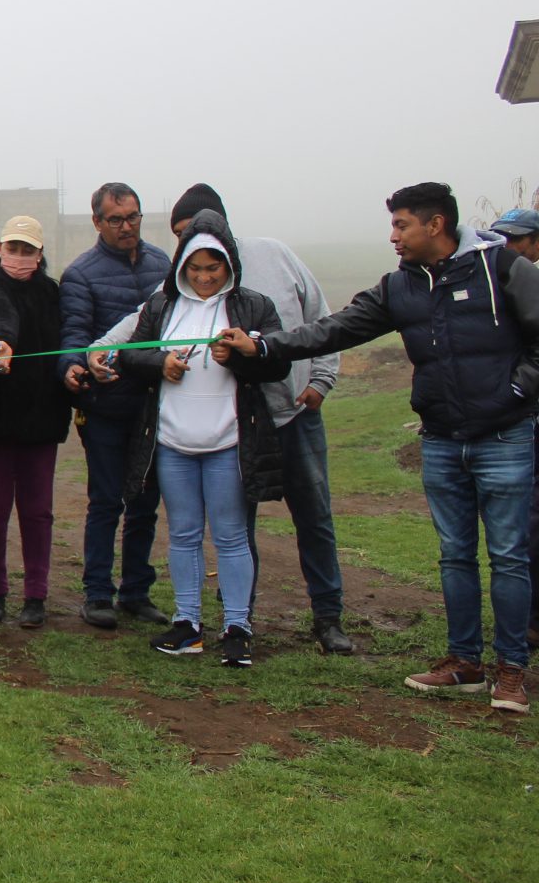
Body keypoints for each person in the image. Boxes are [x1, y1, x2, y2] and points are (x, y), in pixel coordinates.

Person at [218, 183, 539, 715]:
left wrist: (516, 391)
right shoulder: (400, 287)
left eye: (401, 226)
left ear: (435, 226)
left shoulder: (502, 268)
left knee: (508, 556)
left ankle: (510, 671)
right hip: (440, 440)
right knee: (455, 555)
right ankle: (464, 662)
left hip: (504, 437)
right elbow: (334, 329)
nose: (393, 237)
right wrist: (266, 345)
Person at [90, 183, 353, 653]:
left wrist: (320, 381)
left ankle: (328, 616)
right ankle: (234, 621)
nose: (195, 251)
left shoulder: (274, 262)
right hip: (223, 431)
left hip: (290, 414)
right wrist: (100, 351)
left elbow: (320, 319)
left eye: (200, 234)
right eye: (183, 240)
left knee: (313, 516)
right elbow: (135, 333)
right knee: (230, 529)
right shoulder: (176, 288)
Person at [120, 212, 290, 668]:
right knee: (183, 534)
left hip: (229, 442)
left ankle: (238, 627)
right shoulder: (162, 306)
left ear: (229, 265)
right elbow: (129, 358)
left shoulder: (254, 305)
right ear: (181, 267)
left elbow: (278, 363)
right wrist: (162, 364)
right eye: (194, 269)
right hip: (174, 444)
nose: (204, 277)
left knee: (232, 536)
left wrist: (241, 355)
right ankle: (188, 624)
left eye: (213, 269)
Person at [59, 181, 173, 629]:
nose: (126, 227)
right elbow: (73, 332)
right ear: (97, 222)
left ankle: (136, 591)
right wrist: (71, 367)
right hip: (104, 404)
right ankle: (97, 593)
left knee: (146, 500)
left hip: (154, 404)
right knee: (106, 500)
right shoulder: (81, 273)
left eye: (133, 217)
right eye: (116, 220)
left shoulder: (164, 264)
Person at [0, 215, 69, 629]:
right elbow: (2, 312)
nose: (19, 257)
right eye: (13, 248)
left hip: (43, 415)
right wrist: (4, 341)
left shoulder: (50, 291)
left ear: (40, 254)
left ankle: (36, 595)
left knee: (38, 511)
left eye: (28, 250)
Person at [491, 207, 539, 653]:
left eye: (517, 239)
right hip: (524, 419)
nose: (508, 247)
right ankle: (528, 621)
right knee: (527, 520)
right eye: (501, 239)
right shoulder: (498, 287)